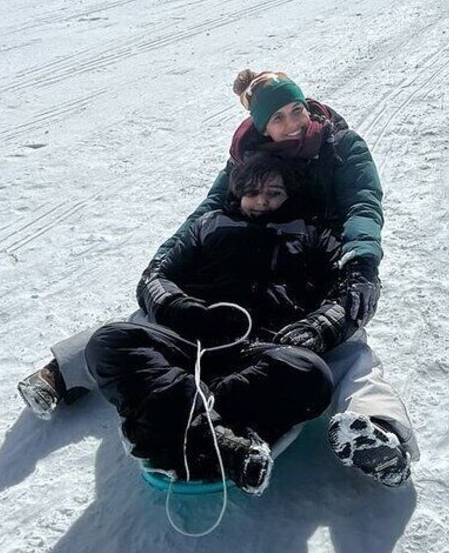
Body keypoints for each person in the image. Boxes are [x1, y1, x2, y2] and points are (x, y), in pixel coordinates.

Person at [17, 70, 419, 487]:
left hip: (312, 260)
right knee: (142, 319)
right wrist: (167, 270)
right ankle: (62, 373)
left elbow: (363, 205)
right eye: (276, 118)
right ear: (261, 127)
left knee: (345, 350)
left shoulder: (340, 148)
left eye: (295, 110)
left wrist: (357, 265)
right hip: (227, 291)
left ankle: (380, 432)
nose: (291, 123)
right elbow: (207, 209)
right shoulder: (244, 161)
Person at [86, 154, 358, 495]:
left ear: (292, 195)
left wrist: (316, 326)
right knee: (109, 341)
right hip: (191, 341)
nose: (262, 201)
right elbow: (155, 277)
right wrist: (180, 307)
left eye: (274, 193)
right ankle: (220, 442)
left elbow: (345, 290)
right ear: (239, 192)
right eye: (253, 192)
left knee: (311, 374)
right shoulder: (210, 224)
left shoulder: (313, 234)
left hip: (259, 350)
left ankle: (177, 419)